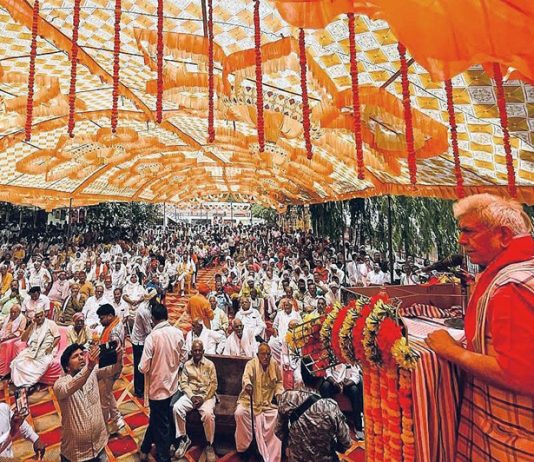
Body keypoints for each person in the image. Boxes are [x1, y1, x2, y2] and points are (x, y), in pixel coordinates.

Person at [425, 194, 534, 462]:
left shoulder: (511, 287)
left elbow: (517, 374)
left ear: (504, 235)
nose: (461, 240)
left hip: (511, 440)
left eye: (469, 231)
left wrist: (452, 351)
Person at [275, 357, 351, 462]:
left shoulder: (287, 398)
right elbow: (346, 442)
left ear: (301, 374)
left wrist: (292, 444)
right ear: (321, 379)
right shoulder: (330, 407)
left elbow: (278, 431)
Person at [55, 343, 121, 462]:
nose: (81, 357)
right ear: (67, 367)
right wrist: (89, 367)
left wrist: (119, 358)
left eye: (82, 354)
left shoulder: (93, 372)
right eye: (75, 356)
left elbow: (113, 369)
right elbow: (72, 385)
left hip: (99, 445)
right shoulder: (60, 385)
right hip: (76, 454)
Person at [138, 303, 185, 462]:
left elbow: (143, 367)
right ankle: (145, 447)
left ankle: (163, 457)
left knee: (162, 425)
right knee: (159, 418)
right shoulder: (178, 333)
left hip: (157, 388)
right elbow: (184, 357)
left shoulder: (152, 337)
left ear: (153, 319)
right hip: (172, 386)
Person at [234, 343, 283, 462]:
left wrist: (279, 393)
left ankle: (269, 452)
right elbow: (246, 377)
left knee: (277, 416)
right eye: (263, 354)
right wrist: (248, 385)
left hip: (267, 403)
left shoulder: (274, 364)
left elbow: (279, 382)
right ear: (257, 355)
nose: (266, 357)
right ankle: (244, 447)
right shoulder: (251, 364)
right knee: (239, 413)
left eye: (268, 354)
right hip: (250, 401)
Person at [172, 339, 217, 462]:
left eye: (199, 350)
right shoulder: (187, 365)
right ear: (191, 352)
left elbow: (213, 385)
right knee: (177, 408)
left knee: (208, 414)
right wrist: (191, 396)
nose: (197, 352)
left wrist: (203, 398)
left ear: (203, 351)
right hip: (191, 395)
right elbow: (183, 383)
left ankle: (209, 444)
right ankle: (184, 438)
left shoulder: (210, 364)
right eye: (195, 350)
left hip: (206, 396)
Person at [11, 307, 60, 388]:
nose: (40, 318)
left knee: (38, 365)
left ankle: (27, 384)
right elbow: (23, 339)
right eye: (37, 317)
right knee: (17, 362)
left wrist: (51, 347)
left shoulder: (51, 323)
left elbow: (57, 337)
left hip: (45, 350)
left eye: (41, 316)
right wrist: (31, 324)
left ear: (44, 315)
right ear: (35, 318)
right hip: (32, 350)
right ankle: (22, 384)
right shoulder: (34, 325)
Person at [96, 303, 125, 435]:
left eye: (102, 318)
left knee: (104, 399)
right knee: (107, 393)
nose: (101, 321)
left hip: (111, 367)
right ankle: (117, 419)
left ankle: (102, 427)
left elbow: (115, 353)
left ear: (110, 316)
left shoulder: (114, 331)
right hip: (110, 366)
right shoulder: (115, 323)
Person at [320, 363, 364, 440]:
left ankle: (358, 428)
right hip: (334, 383)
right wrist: (334, 383)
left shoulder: (348, 355)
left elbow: (355, 376)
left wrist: (346, 384)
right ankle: (329, 426)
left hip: (347, 384)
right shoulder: (329, 354)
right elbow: (327, 373)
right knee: (325, 386)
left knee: (355, 390)